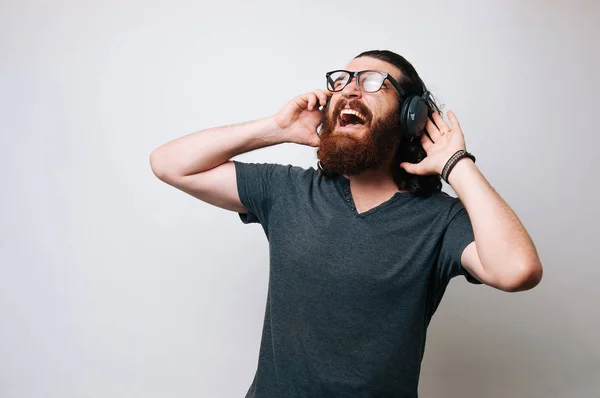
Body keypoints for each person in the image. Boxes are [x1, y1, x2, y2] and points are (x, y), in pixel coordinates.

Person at [150, 50, 543, 398]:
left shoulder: (440, 219)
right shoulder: (288, 189)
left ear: (412, 117)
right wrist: (276, 129)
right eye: (342, 81)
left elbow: (517, 270)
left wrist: (456, 164)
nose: (350, 90)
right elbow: (170, 164)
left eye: (373, 82)